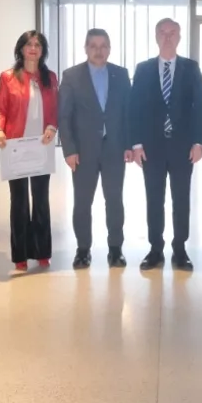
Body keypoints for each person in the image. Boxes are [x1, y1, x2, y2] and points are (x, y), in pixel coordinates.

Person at [130, 18, 202, 271]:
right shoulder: (143, 69)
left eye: (172, 32)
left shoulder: (191, 68)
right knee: (154, 199)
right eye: (162, 32)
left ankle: (180, 249)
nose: (167, 37)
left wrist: (199, 141)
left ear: (179, 37)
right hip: (151, 147)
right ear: (155, 37)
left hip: (182, 147)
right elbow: (135, 107)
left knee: (181, 199)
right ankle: (155, 249)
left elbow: (200, 106)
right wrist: (136, 144)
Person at [58, 29, 133, 269]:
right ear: (86, 48)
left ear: (109, 49)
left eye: (103, 46)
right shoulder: (71, 76)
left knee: (114, 200)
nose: (98, 51)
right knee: (82, 203)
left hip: (114, 150)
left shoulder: (121, 74)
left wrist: (129, 144)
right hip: (83, 152)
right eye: (93, 46)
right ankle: (83, 250)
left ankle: (115, 249)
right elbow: (64, 115)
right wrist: (69, 150)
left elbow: (128, 112)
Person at [0, 30, 59, 271]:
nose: (33, 48)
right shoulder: (8, 77)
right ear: (21, 49)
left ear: (43, 50)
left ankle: (42, 251)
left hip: (41, 146)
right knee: (19, 201)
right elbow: (0, 110)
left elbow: (55, 110)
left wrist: (52, 127)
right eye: (29, 44)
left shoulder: (50, 77)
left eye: (38, 45)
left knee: (41, 199)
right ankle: (20, 253)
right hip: (16, 146)